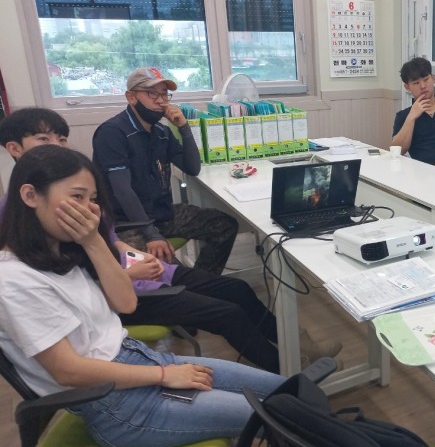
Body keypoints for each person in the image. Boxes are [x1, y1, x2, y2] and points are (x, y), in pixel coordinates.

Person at [1, 107, 340, 374]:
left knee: (237, 290)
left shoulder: (77, 189)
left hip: (140, 272)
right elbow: (72, 287)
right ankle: (286, 371)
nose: (57, 146)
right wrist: (131, 271)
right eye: (44, 139)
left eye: (62, 139)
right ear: (14, 149)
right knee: (227, 313)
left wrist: (136, 256)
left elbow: (110, 239)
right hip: (120, 295)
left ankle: (300, 347)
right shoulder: (20, 217)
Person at [0, 145, 288, 447]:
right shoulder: (15, 280)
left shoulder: (62, 253)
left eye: (92, 199)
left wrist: (94, 241)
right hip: (119, 406)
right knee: (282, 417)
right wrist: (163, 375)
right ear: (30, 196)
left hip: (136, 361)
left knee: (286, 393)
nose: (89, 210)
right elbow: (68, 371)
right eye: (77, 197)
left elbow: (126, 304)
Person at [92, 67, 238, 275]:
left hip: (162, 215)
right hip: (128, 223)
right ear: (131, 97)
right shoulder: (113, 133)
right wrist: (151, 234)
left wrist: (184, 128)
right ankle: (195, 284)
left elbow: (192, 168)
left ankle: (207, 279)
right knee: (169, 276)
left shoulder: (162, 132)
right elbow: (122, 191)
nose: (161, 101)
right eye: (152, 94)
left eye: (164, 94)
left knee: (224, 225)